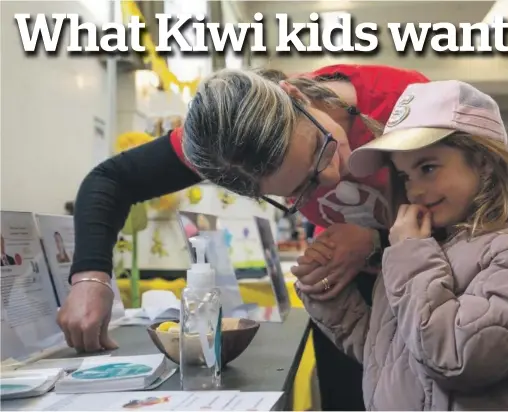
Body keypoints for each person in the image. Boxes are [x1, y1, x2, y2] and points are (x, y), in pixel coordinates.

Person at [60, 64, 429, 411]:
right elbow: (111, 180)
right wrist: (90, 278)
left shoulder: (407, 101)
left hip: (434, 293)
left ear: (294, 97)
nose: (332, 176)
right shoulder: (226, 144)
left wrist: (374, 238)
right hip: (348, 298)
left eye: (321, 149)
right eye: (303, 188)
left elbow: (483, 215)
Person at [296, 81, 508, 410]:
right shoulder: (429, 247)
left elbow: (457, 357)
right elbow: (391, 354)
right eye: (405, 176)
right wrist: (330, 298)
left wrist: (409, 255)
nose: (416, 191)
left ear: (484, 163)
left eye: (428, 168)